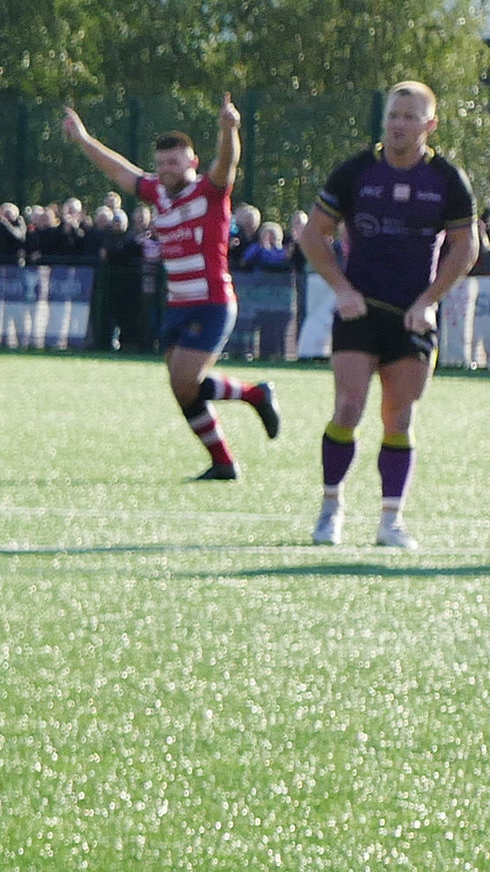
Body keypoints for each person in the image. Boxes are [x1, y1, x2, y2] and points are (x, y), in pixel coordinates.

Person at [297, 81, 477, 550]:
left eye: (410, 117)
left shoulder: (447, 179)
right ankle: (330, 509)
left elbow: (466, 246)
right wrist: (341, 288)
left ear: (429, 125)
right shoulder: (357, 171)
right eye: (394, 116)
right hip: (360, 313)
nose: (399, 125)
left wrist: (430, 300)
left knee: (399, 418)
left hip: (412, 320)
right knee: (348, 408)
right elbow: (314, 235)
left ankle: (390, 521)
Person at [58, 100, 281, 478]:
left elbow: (228, 163)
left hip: (211, 302)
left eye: (173, 163)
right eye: (161, 163)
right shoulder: (157, 193)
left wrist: (229, 130)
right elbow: (119, 171)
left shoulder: (209, 193)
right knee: (183, 389)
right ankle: (225, 459)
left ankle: (255, 397)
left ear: (192, 163)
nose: (165, 170)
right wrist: (83, 139)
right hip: (177, 303)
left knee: (184, 379)